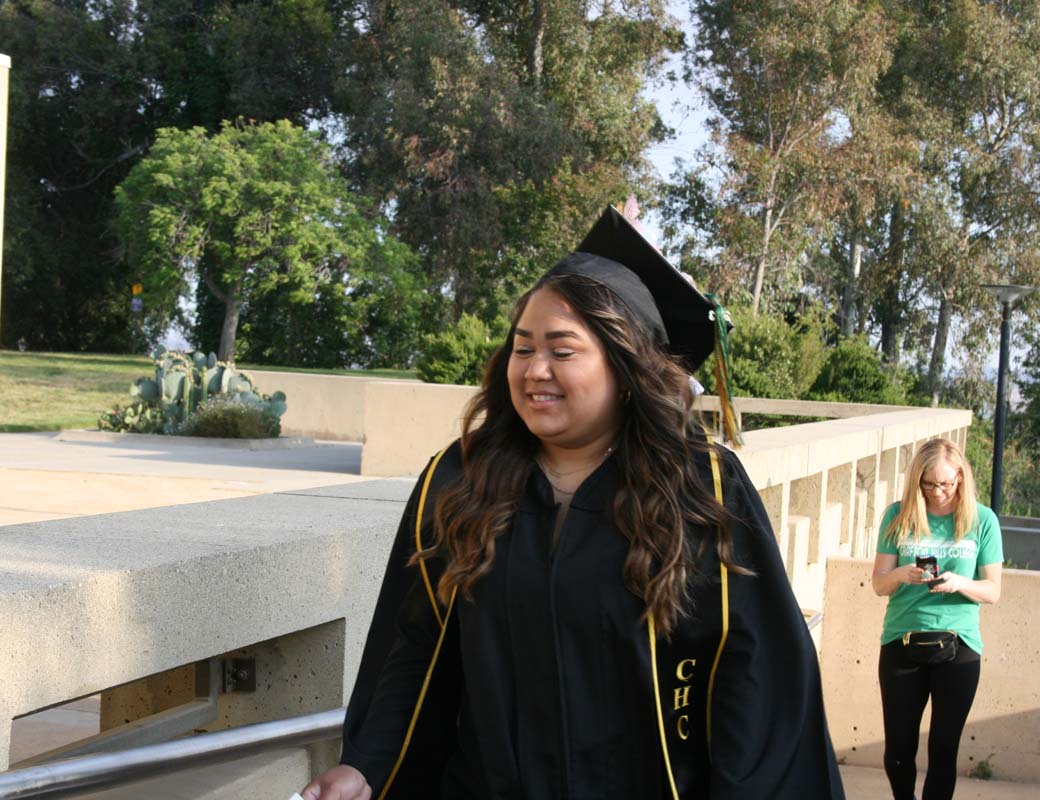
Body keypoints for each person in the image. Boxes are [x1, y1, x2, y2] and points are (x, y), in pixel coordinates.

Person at [301, 205, 846, 800]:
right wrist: (367, 767)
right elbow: (415, 651)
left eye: (563, 351)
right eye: (522, 348)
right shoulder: (461, 479)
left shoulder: (697, 486)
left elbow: (755, 676)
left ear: (624, 364)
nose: (536, 370)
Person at [870, 438, 1003, 800]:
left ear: (961, 477)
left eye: (945, 483)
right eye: (928, 484)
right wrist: (903, 575)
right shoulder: (897, 515)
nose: (938, 492)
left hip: (959, 646)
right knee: (898, 749)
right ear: (917, 480)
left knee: (943, 749)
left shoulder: (982, 520)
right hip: (902, 640)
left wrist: (958, 582)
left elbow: (993, 591)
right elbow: (879, 584)